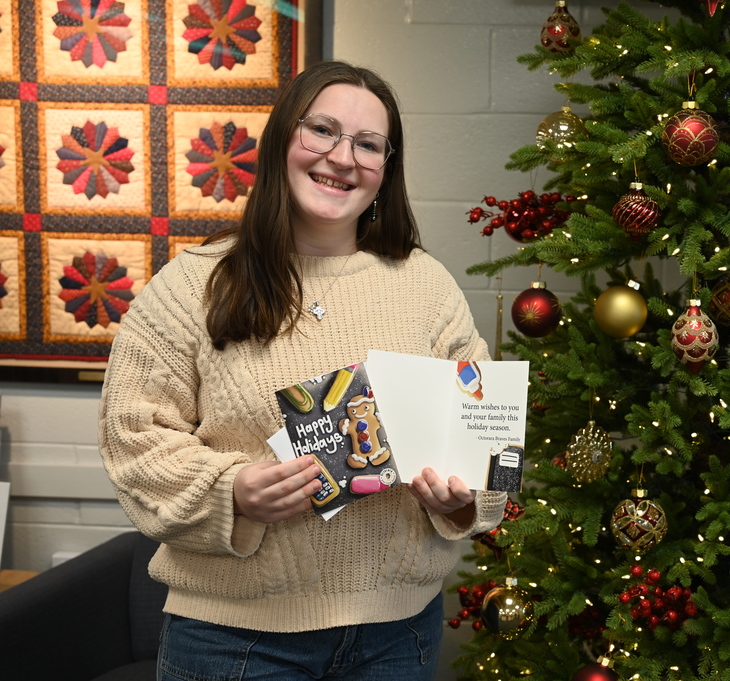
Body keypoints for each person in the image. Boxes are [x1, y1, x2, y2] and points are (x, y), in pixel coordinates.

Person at [98, 60, 506, 681]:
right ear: (281, 139)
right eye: (322, 130)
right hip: (234, 642)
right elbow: (133, 439)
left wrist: (464, 496)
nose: (342, 158)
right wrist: (232, 491)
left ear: (386, 167)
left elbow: (487, 439)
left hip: (398, 637)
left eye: (368, 144)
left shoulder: (426, 285)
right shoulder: (190, 286)